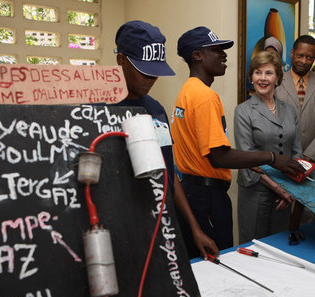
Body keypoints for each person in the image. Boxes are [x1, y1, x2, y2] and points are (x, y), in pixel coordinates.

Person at [171, 26, 303, 258]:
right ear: (197, 55)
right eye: (217, 50)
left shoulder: (188, 91)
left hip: (195, 191)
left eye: (269, 73)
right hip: (206, 196)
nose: (224, 55)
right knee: (217, 263)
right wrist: (271, 158)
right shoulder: (204, 96)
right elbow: (219, 156)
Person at [114, 20, 220, 258]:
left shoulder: (156, 110)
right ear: (121, 60)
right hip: (121, 228)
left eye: (155, 73)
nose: (150, 80)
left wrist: (194, 228)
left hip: (159, 224)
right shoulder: (99, 109)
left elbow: (168, 174)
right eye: (143, 71)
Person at [234, 51, 301, 244]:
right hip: (256, 192)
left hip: (286, 192)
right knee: (254, 246)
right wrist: (278, 189)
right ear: (251, 77)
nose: (263, 78)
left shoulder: (289, 110)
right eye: (257, 72)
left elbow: (297, 152)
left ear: (278, 77)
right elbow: (247, 157)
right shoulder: (243, 111)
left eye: (269, 73)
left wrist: (289, 190)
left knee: (280, 247)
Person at [275, 35, 315, 233]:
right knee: (283, 210)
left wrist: (309, 155)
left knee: (311, 212)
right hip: (283, 158)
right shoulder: (276, 80)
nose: (304, 61)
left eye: (309, 57)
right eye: (300, 55)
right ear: (292, 54)